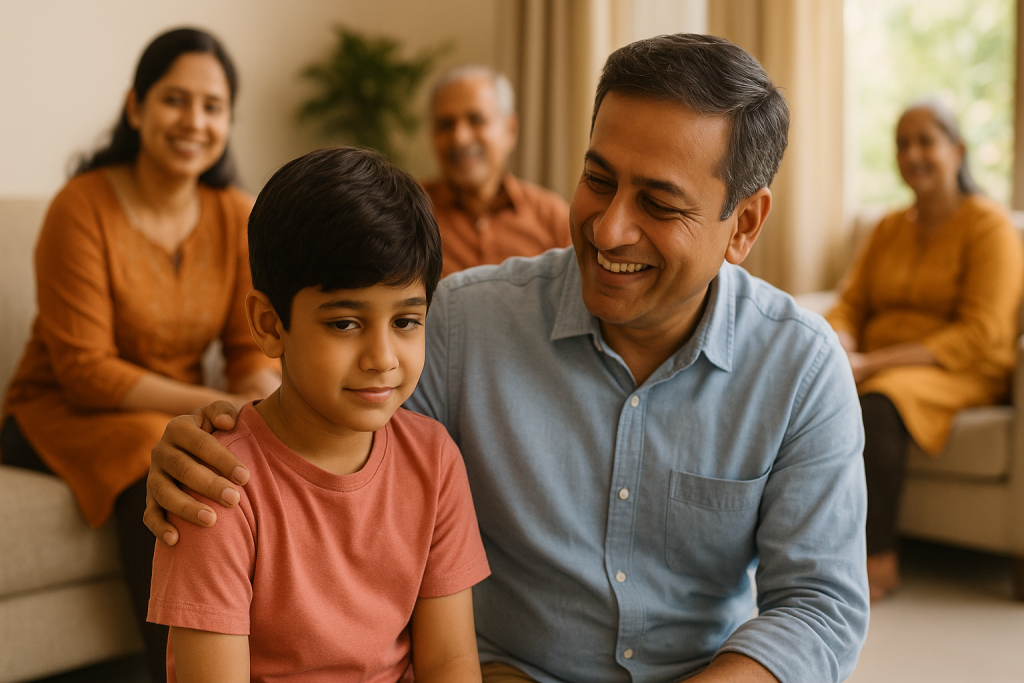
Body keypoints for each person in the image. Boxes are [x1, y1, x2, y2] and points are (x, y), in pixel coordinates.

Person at [145, 34, 870, 683]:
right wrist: (202, 441)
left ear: (743, 224)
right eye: (598, 178)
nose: (610, 227)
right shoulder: (461, 322)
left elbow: (819, 605)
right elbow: (333, 443)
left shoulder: (801, 370)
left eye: (658, 203)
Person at [147, 146, 490, 682]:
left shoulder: (434, 459)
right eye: (345, 324)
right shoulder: (217, 484)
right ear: (269, 324)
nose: (382, 359)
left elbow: (450, 662)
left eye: (405, 322)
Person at [0, 28, 280, 682]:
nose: (194, 120)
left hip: (162, 411)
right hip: (57, 412)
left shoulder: (236, 214)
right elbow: (85, 371)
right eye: (174, 100)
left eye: (211, 106)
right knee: (167, 457)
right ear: (136, 108)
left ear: (227, 121)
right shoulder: (83, 206)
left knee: (236, 455)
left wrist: (266, 408)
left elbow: (249, 352)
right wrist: (215, 406)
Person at [826, 99, 1024, 602]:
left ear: (957, 150)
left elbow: (980, 332)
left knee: (880, 402)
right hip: (876, 362)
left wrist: (870, 364)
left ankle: (877, 559)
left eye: (925, 141)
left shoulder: (990, 225)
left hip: (964, 368)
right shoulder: (889, 227)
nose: (913, 154)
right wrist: (843, 343)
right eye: (902, 144)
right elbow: (850, 302)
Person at [424, 65, 571, 276]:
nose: (459, 138)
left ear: (510, 130)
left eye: (476, 120)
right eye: (446, 124)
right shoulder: (407, 213)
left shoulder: (552, 218)